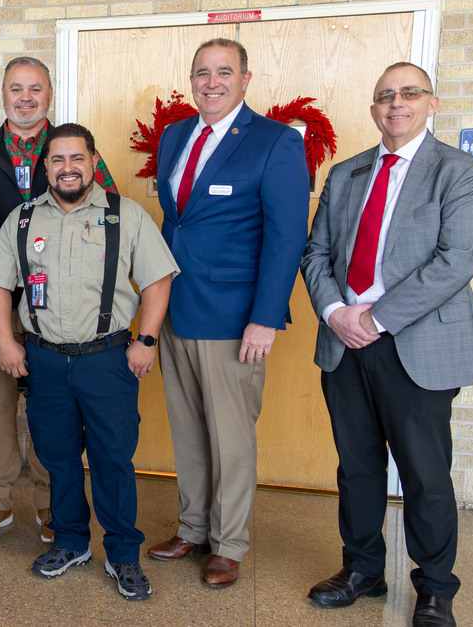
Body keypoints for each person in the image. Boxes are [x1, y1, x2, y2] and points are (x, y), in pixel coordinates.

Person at [302, 62, 473, 627]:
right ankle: (362, 569)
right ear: (374, 106)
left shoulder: (458, 171)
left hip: (416, 344)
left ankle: (435, 588)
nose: (396, 103)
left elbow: (456, 262)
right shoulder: (347, 174)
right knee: (356, 467)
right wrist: (336, 312)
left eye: (410, 93)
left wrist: (376, 318)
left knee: (424, 473)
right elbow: (316, 255)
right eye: (385, 95)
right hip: (344, 343)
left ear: (431, 104)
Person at [0, 123, 178, 600]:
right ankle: (71, 543)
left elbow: (157, 280)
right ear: (44, 166)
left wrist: (147, 340)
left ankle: (122, 554)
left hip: (107, 360)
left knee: (113, 459)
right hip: (45, 361)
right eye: (57, 160)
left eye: (77, 159)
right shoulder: (24, 219)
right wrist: (7, 342)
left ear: (93, 162)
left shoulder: (125, 215)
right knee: (57, 460)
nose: (67, 168)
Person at [150, 38, 309, 587]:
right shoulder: (175, 136)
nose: (211, 83)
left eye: (223, 72)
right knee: (189, 430)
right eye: (201, 73)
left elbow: (288, 238)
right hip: (175, 310)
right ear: (191, 80)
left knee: (231, 436)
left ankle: (229, 542)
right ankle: (193, 527)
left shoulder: (276, 142)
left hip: (235, 317)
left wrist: (265, 317)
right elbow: (178, 225)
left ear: (245, 79)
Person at [0, 56, 118, 544]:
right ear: (3, 95)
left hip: (59, 309)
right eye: (16, 89)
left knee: (52, 406)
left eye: (35, 89)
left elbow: (109, 217)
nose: (25, 97)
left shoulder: (74, 151)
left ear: (49, 94)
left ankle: (50, 502)